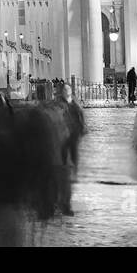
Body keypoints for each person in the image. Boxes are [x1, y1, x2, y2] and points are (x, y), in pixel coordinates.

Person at [51, 82, 86, 215]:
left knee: (74, 153)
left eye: (68, 89)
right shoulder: (59, 103)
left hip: (74, 133)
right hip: (63, 134)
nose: (66, 91)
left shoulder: (75, 103)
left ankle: (73, 171)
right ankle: (65, 169)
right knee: (64, 155)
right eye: (65, 89)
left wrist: (82, 127)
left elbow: (80, 116)